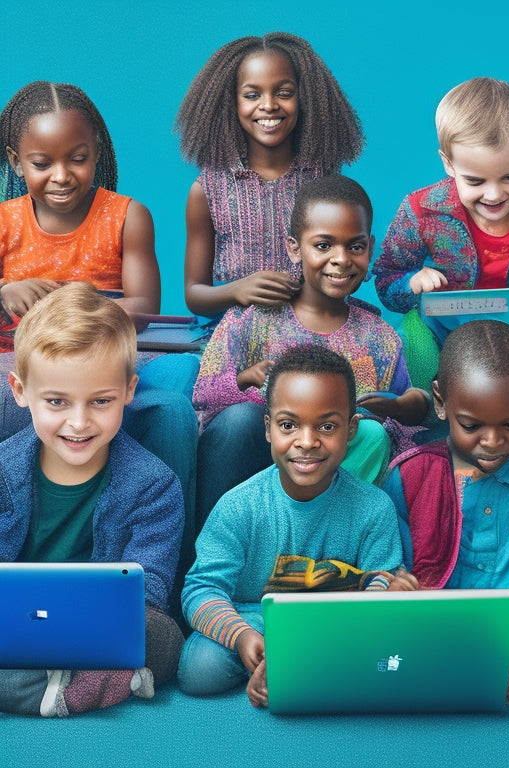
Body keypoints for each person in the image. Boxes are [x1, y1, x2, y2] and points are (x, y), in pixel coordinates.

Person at [0, 81, 199, 575]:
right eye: (42, 164)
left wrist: (75, 304)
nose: (62, 176)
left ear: (98, 153)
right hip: (27, 364)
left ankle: (167, 571)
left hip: (109, 355)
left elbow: (144, 305)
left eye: (78, 158)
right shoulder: (4, 222)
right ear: (15, 161)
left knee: (174, 404)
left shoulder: (126, 216)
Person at [372, 77, 509, 460]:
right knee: (413, 330)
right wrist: (413, 281)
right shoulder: (421, 209)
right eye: (475, 180)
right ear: (447, 162)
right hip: (454, 328)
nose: (493, 194)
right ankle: (438, 427)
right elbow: (387, 277)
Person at [178, 346, 409, 707]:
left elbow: (382, 575)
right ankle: (286, 667)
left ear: (350, 430)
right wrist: (243, 639)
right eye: (289, 425)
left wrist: (382, 594)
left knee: (392, 657)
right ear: (268, 428)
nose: (307, 441)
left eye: (327, 426)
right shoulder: (239, 507)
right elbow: (200, 591)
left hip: (339, 625)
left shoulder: (374, 507)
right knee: (200, 669)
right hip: (258, 620)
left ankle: (298, 666)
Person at [193, 175, 429, 526]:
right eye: (323, 245)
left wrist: (400, 408)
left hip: (335, 491)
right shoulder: (252, 320)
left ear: (370, 247)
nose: (341, 260)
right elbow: (203, 398)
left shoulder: (378, 338)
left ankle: (328, 543)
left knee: (372, 434)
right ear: (294, 247)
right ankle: (223, 545)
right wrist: (245, 380)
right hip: (255, 484)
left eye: (356, 246)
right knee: (240, 420)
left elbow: (401, 425)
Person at [0, 283, 184, 717]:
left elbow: (148, 590)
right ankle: (65, 685)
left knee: (162, 638)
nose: (79, 423)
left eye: (101, 401)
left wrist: (93, 624)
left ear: (128, 391)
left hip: (100, 629)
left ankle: (51, 682)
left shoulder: (155, 485)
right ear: (21, 391)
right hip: (18, 624)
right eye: (57, 401)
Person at [383, 320, 509, 711]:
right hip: (425, 631)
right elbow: (392, 567)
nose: (493, 440)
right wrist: (395, 588)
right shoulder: (410, 476)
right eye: (471, 425)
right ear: (440, 402)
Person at [176, 33, 364, 321]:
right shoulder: (208, 190)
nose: (269, 105)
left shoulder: (323, 181)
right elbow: (194, 294)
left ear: (306, 99)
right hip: (235, 337)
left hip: (314, 330)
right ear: (231, 103)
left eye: (284, 92)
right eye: (252, 95)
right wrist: (238, 290)